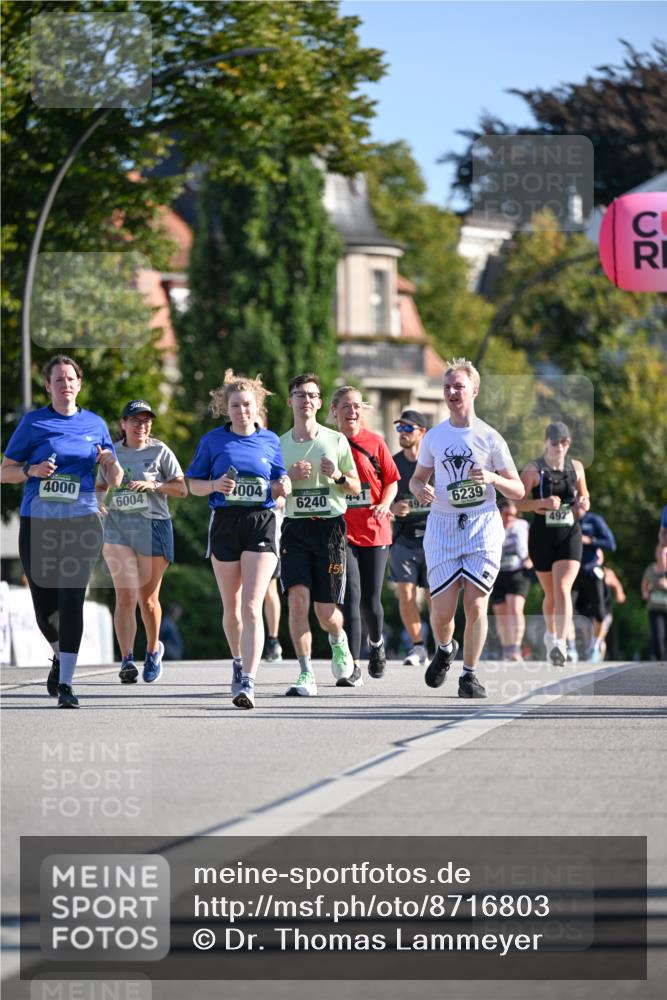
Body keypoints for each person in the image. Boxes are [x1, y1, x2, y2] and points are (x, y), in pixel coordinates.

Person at [0, 355, 122, 708]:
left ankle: (67, 683)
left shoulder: (95, 424)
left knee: (71, 599)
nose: (65, 384)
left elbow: (114, 479)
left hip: (81, 521)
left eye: (71, 378)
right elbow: (5, 471)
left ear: (79, 384)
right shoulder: (33, 423)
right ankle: (57, 656)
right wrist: (31, 471)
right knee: (44, 608)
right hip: (39, 521)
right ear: (48, 387)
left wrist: (110, 463)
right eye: (58, 380)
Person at [409, 359, 524, 699]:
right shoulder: (434, 437)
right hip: (443, 526)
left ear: (474, 390)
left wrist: (491, 477)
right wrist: (419, 489)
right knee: (442, 611)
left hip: (482, 526)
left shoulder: (490, 437)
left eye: (458, 386)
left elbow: (517, 490)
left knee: (476, 605)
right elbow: (417, 478)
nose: (452, 392)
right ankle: (445, 648)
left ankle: (470, 674)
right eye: (447, 387)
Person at [186, 370, 290, 710]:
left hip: (260, 522)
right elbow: (192, 484)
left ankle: (249, 680)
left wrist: (284, 487)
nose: (242, 411)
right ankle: (237, 660)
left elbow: (280, 480)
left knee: (251, 605)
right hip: (225, 523)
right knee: (231, 609)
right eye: (235, 405)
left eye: (247, 404)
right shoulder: (213, 441)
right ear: (225, 408)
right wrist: (215, 485)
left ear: (257, 406)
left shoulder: (271, 440)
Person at [279, 373, 360, 696]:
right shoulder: (279, 444)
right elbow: (272, 491)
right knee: (298, 603)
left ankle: (339, 642)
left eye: (312, 395)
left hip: (330, 529)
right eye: (300, 395)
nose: (306, 401)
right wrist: (287, 476)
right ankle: (306, 673)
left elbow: (355, 487)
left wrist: (337, 474)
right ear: (290, 401)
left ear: (320, 403)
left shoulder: (335, 440)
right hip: (295, 528)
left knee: (326, 612)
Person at [96, 399, 187, 683]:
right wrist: (99, 504)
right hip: (118, 527)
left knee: (148, 600)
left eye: (147, 420)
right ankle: (126, 660)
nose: (142, 425)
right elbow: (99, 487)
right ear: (123, 424)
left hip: (153, 526)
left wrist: (154, 485)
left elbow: (182, 489)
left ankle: (152, 650)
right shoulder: (112, 454)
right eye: (135, 420)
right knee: (125, 595)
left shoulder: (160, 451)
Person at [330, 386, 400, 683]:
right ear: (334, 410)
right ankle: (353, 665)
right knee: (350, 597)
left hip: (375, 529)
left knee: (371, 599)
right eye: (346, 406)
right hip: (342, 531)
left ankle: (377, 645)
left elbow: (392, 481)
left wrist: (385, 504)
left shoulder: (375, 442)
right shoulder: (328, 443)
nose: (352, 411)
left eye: (356, 406)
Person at [516, 422, 590, 667]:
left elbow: (584, 495)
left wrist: (584, 503)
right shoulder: (533, 470)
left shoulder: (576, 467)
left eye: (565, 442)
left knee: (562, 588)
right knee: (550, 593)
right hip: (542, 536)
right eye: (555, 442)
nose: (560, 447)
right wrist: (543, 503)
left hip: (569, 533)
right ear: (546, 442)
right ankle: (551, 635)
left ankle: (560, 642)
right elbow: (517, 503)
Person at [389, 409, 432, 666]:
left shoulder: (434, 462)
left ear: (422, 433)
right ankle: (418, 647)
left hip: (434, 537)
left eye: (408, 429)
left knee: (433, 596)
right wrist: (394, 508)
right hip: (404, 538)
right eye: (399, 429)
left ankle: (442, 645)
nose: (402, 434)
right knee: (405, 593)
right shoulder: (393, 463)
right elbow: (383, 497)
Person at [572, 507, 617, 663]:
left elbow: (611, 544)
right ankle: (570, 647)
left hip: (591, 572)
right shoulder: (565, 518)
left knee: (600, 613)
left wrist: (590, 541)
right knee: (567, 611)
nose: (574, 505)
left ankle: (596, 646)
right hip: (572, 573)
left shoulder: (594, 520)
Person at [491, 499, 532, 661]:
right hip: (497, 573)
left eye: (513, 515)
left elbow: (534, 542)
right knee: (501, 613)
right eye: (506, 514)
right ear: (499, 514)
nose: (509, 518)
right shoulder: (491, 526)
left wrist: (532, 558)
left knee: (515, 608)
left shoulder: (522, 525)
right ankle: (507, 648)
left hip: (519, 572)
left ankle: (515, 647)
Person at [641, 544, 667, 661]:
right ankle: (660, 661)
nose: (662, 556)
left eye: (664, 553)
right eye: (659, 553)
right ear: (656, 554)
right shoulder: (650, 569)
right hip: (655, 608)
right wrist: (645, 593)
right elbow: (644, 584)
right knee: (658, 636)